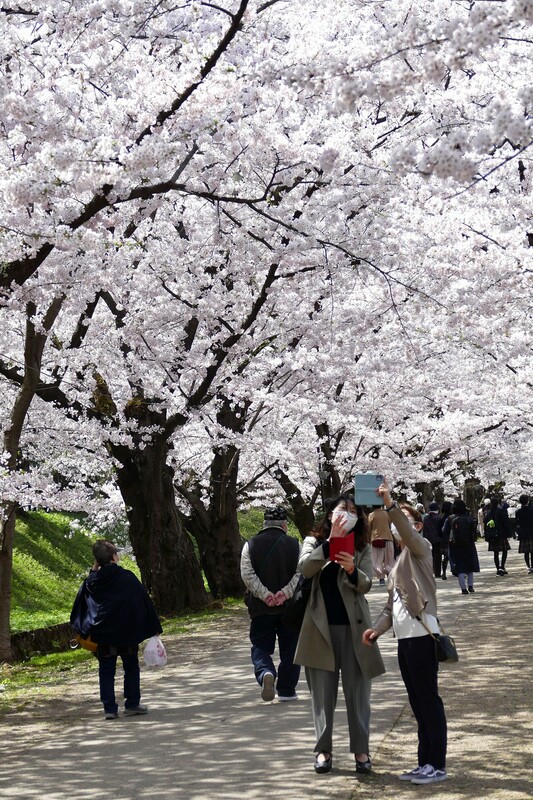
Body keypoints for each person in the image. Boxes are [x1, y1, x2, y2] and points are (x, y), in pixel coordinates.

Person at [363, 482, 448, 786]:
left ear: (418, 525)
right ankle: (424, 762)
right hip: (405, 640)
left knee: (428, 701)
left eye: (406, 521)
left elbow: (408, 533)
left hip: (424, 636)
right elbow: (390, 607)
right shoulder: (398, 562)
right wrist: (376, 630)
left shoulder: (420, 549)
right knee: (417, 702)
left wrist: (390, 505)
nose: (399, 528)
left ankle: (437, 764)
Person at [294, 493, 385, 775]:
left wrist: (351, 568)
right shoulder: (312, 542)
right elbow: (305, 569)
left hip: (355, 628)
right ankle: (323, 750)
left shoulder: (361, 546)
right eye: (342, 509)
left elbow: (367, 584)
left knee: (359, 694)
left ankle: (361, 751)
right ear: (330, 514)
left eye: (353, 510)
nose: (348, 514)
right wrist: (329, 543)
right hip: (320, 630)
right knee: (322, 695)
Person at [70, 540, 162, 720]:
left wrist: (94, 569)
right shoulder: (127, 577)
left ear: (97, 561)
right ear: (114, 557)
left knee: (106, 670)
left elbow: (82, 602)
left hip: (103, 633)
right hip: (127, 631)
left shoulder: (91, 581)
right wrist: (154, 627)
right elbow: (144, 601)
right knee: (131, 666)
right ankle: (132, 704)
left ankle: (110, 709)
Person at [240, 506, 301, 702]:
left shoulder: (250, 545)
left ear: (264, 524)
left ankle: (266, 671)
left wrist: (266, 595)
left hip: (261, 608)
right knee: (290, 649)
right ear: (284, 525)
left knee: (260, 646)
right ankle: (286, 691)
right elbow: (301, 573)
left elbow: (247, 575)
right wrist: (284, 593)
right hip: (289, 608)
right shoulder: (295, 545)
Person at [442, 499, 480, 594]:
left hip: (455, 545)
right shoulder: (469, 518)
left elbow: (444, 530)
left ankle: (463, 588)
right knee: (469, 566)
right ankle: (471, 586)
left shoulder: (450, 518)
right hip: (469, 544)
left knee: (459, 566)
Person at [484, 496, 512, 576]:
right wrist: (509, 533)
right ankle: (502, 566)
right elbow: (506, 522)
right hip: (502, 534)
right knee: (504, 551)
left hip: (492, 535)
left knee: (496, 553)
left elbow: (485, 522)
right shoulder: (501, 511)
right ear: (498, 503)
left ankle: (497, 568)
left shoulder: (489, 512)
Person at [368, 504, 395, 585]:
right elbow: (391, 525)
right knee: (390, 561)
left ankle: (381, 578)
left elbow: (369, 528)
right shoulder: (387, 513)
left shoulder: (371, 515)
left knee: (376, 561)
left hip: (376, 539)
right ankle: (391, 576)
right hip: (388, 538)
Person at [422, 502, 443, 578]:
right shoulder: (439, 518)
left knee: (429, 557)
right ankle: (437, 572)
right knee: (437, 557)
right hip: (437, 540)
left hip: (428, 539)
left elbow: (424, 529)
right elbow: (441, 530)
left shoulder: (426, 518)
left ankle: (429, 572)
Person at [515, 495, 533, 574]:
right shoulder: (532, 510)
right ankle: (532, 566)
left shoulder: (518, 512)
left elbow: (517, 523)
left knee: (526, 552)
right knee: (532, 552)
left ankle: (528, 566)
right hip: (532, 532)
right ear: (527, 501)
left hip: (523, 533)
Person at [439, 501, 452, 580]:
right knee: (454, 555)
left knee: (445, 556)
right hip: (451, 539)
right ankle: (457, 571)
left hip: (444, 539)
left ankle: (443, 572)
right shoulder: (452, 518)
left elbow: (439, 531)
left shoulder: (441, 519)